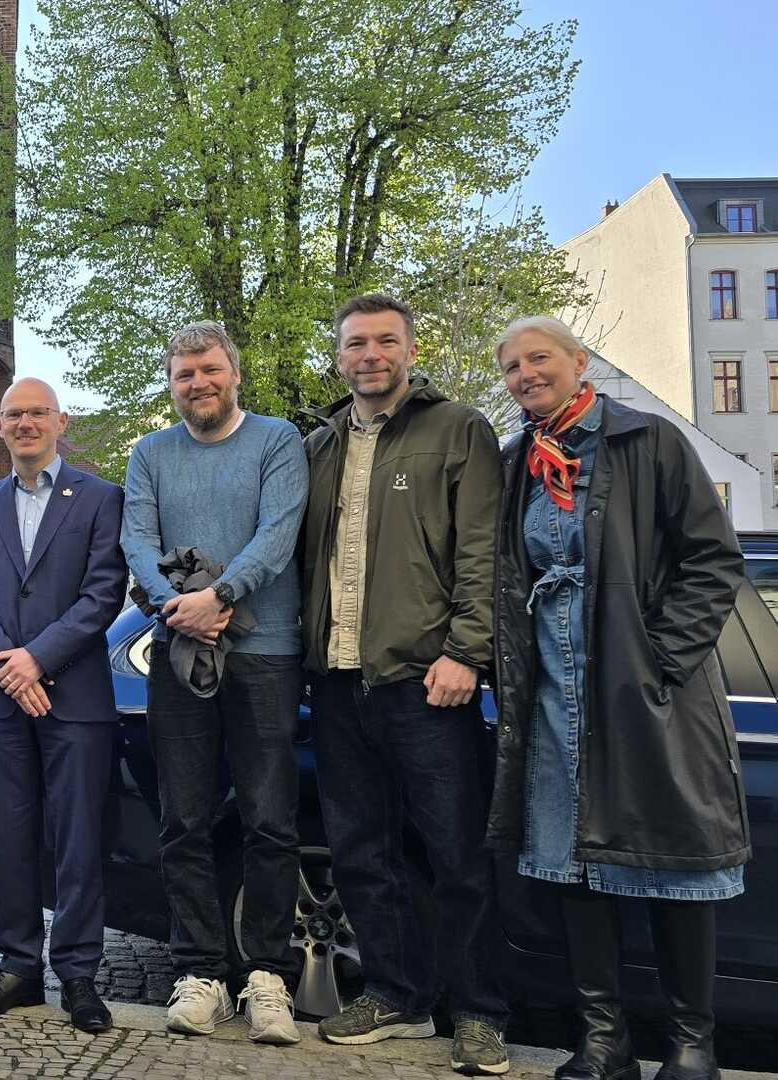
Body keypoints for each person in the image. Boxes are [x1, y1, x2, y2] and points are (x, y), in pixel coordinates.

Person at [487, 316, 750, 1080]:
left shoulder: (649, 442)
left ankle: (691, 1042)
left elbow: (712, 558)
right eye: (509, 367)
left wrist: (659, 660)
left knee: (672, 865)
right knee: (574, 865)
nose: (524, 374)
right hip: (552, 692)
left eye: (538, 358)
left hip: (648, 696)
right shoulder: (516, 466)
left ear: (577, 361)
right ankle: (602, 1040)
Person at [298, 294, 509, 1075]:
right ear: (339, 355)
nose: (369, 355)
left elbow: (483, 548)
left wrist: (467, 650)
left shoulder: (457, 429)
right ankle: (393, 995)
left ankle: (478, 1012)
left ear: (409, 352)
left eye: (385, 341)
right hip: (336, 679)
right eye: (355, 343)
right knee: (359, 851)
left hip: (428, 683)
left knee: (456, 854)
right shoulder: (318, 445)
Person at [120, 322, 307, 1043]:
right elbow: (136, 538)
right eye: (183, 374)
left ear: (233, 372)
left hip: (264, 652)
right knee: (184, 817)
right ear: (171, 383)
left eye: (208, 369)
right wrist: (178, 607)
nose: (197, 383)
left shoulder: (275, 440)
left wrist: (220, 596)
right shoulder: (149, 454)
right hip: (179, 652)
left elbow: (278, 530)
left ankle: (266, 976)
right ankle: (199, 971)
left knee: (268, 819)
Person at [0, 377, 127, 1034]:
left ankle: (79, 973)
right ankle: (17, 966)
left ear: (59, 421)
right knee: (12, 838)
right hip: (0, 703)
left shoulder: (99, 499)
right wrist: (9, 664)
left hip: (74, 698)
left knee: (77, 840)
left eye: (36, 413)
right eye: (13, 415)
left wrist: (37, 660)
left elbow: (102, 594)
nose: (25, 423)